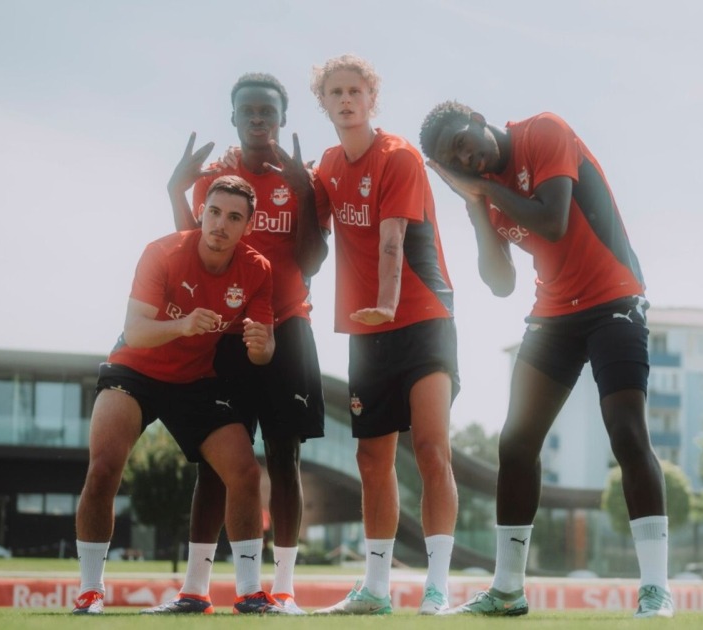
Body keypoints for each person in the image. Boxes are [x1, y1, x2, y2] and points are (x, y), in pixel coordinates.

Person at [419, 101, 673, 618]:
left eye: (463, 143)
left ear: (476, 118)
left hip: (614, 300)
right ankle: (508, 590)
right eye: (454, 160)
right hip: (554, 314)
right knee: (515, 444)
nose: (466, 158)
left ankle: (655, 588)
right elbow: (500, 282)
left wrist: (484, 188)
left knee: (626, 432)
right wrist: (475, 208)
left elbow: (553, 223)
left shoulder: (543, 132)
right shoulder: (487, 194)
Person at [142, 72, 328, 616]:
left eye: (268, 110)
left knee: (285, 457)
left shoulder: (304, 179)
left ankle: (284, 590)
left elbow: (314, 261)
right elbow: (191, 249)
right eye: (248, 110)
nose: (258, 118)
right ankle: (194, 590)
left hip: (286, 327)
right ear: (234, 118)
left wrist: (304, 192)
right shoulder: (217, 180)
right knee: (215, 462)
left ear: (283, 118)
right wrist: (177, 191)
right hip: (225, 334)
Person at [72, 175, 277, 615]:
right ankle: (90, 592)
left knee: (244, 472)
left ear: (248, 225)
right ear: (201, 211)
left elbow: (264, 349)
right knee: (103, 467)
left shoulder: (257, 269)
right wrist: (183, 325)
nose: (220, 224)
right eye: (214, 212)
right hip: (134, 370)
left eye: (234, 217)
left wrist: (263, 347)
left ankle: (250, 593)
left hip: (193, 381)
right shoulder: (162, 252)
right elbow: (135, 331)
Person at [306, 54, 459, 616]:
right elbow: (304, 224)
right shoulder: (327, 166)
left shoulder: (398, 156)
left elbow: (392, 240)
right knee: (372, 458)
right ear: (323, 103)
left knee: (431, 448)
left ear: (372, 98)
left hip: (421, 317)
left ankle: (437, 587)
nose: (346, 100)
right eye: (335, 92)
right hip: (366, 328)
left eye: (355, 90)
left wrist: (387, 304)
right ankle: (375, 588)